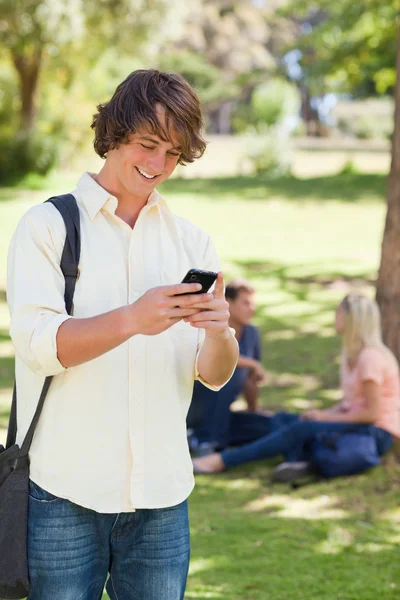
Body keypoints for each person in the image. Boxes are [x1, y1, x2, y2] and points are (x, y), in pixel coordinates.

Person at [7, 69, 238, 600]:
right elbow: (40, 347)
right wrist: (133, 319)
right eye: (147, 144)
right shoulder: (48, 227)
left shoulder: (192, 243)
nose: (158, 166)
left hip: (162, 497)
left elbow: (213, 374)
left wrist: (220, 331)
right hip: (65, 494)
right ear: (114, 134)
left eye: (173, 154)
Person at [192, 294, 400, 478]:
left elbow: (372, 414)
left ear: (352, 320)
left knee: (303, 427)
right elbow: (353, 403)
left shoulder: (370, 358)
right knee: (283, 419)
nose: (335, 317)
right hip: (357, 423)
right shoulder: (351, 355)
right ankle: (298, 460)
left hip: (376, 433)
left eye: (339, 313)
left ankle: (222, 461)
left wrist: (327, 417)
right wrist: (322, 412)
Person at [187, 279, 268, 454]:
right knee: (224, 377)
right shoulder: (209, 328)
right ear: (228, 303)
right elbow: (215, 360)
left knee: (265, 426)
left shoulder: (252, 333)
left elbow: (250, 379)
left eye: (253, 303)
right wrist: (251, 363)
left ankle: (201, 438)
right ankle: (204, 438)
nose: (251, 308)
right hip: (197, 405)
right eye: (245, 303)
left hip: (223, 410)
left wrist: (253, 411)